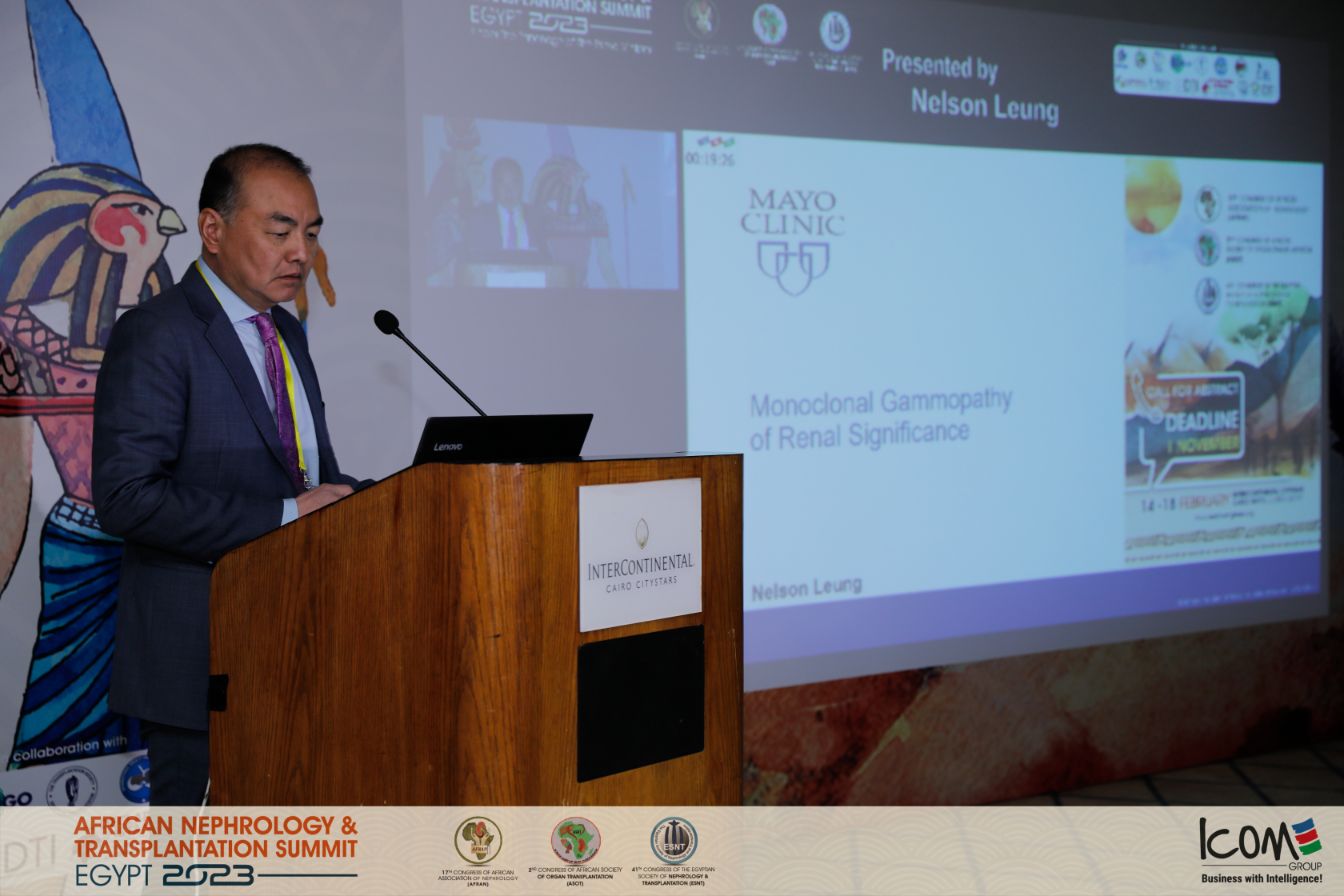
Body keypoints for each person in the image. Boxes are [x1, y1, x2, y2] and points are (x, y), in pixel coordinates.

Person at [92, 144, 361, 805]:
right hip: (199, 663)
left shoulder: (286, 334)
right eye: (280, 231)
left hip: (296, 648)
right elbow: (127, 497)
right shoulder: (157, 333)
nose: (300, 253)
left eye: (311, 233)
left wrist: (369, 499)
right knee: (204, 852)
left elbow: (306, 474)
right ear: (212, 230)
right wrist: (286, 516)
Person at [465, 156, 542, 256]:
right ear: (493, 187)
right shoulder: (478, 218)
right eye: (502, 184)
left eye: (514, 183)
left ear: (522, 185)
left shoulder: (538, 217)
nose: (509, 190)